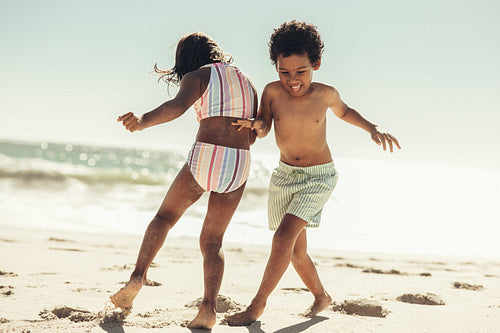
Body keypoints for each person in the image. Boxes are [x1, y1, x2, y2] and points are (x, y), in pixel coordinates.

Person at [226, 21, 401, 326]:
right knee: (295, 252)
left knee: (282, 239)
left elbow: (345, 112)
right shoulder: (271, 92)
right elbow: (266, 126)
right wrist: (256, 125)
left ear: (315, 64)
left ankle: (257, 306)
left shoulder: (324, 94)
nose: (292, 80)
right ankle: (322, 297)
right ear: (276, 68)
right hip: (284, 176)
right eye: (284, 72)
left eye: (300, 72)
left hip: (318, 177)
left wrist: (372, 127)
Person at [110, 32, 258, 329]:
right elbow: (254, 133)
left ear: (187, 60)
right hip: (239, 162)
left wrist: (142, 121)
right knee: (213, 241)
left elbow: (178, 107)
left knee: (165, 216)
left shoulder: (197, 75)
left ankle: (137, 277)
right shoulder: (248, 83)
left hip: (207, 155)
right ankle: (208, 309)